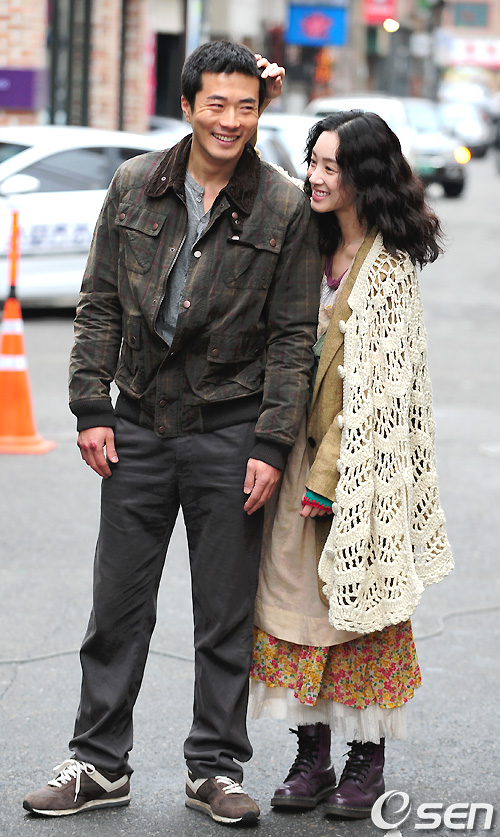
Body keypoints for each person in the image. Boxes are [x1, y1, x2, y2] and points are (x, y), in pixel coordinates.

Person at [22, 42, 321, 826]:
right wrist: (91, 406)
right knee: (117, 607)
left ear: (260, 112)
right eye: (215, 104)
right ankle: (98, 762)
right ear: (186, 106)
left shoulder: (282, 205)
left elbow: (294, 336)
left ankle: (214, 767)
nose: (230, 120)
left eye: (246, 106)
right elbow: (98, 301)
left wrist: (271, 442)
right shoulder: (134, 184)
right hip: (138, 426)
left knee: (224, 614)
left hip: (232, 432)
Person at [249, 110, 454, 819]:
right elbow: (248, 174)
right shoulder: (305, 243)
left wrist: (329, 478)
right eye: (313, 160)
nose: (314, 176)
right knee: (295, 610)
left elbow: (381, 394)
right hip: (291, 457)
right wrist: (256, 100)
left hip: (360, 471)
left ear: (364, 177)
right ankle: (311, 758)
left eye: (330, 166)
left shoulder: (388, 268)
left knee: (362, 610)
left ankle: (367, 760)